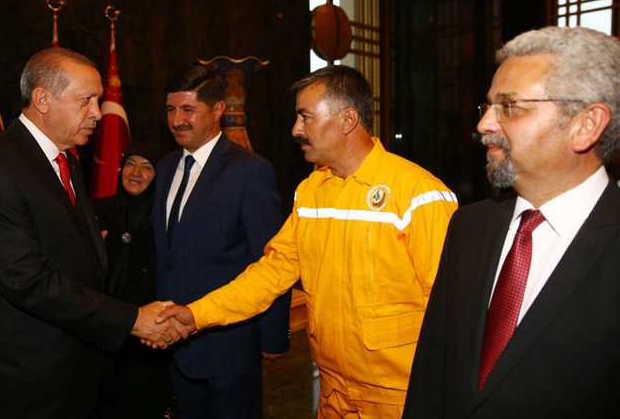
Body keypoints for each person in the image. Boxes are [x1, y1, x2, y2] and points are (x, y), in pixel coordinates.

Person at [156, 65, 459, 418]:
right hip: (333, 393)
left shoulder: (419, 194)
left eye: (305, 117)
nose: (295, 129)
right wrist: (197, 314)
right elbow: (272, 273)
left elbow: (452, 309)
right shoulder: (312, 191)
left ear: (347, 120)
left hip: (399, 395)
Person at [403, 26, 620, 418]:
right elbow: (431, 374)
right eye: (488, 107)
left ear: (586, 124)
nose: (485, 124)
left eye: (509, 106)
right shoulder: (467, 227)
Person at [0, 47, 185, 418]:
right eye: (86, 100)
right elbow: (28, 282)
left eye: (98, 101)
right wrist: (133, 320)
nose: (97, 113)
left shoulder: (67, 162)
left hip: (79, 371)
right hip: (30, 381)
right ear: (42, 99)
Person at [153, 65, 291, 419]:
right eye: (171, 109)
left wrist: (273, 338)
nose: (177, 120)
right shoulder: (165, 167)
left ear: (217, 110)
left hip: (229, 347)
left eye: (188, 109)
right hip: (173, 344)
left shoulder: (251, 171)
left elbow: (272, 260)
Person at [94, 142, 174, 418]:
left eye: (147, 167)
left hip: (147, 336)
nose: (136, 172)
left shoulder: (166, 219)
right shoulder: (98, 211)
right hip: (103, 330)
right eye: (130, 164)